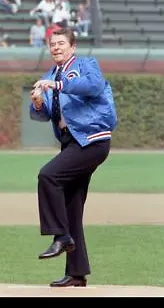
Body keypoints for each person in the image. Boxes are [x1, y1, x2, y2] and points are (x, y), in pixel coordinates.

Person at [29, 27, 117, 287]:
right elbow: (44, 112)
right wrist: (37, 102)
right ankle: (77, 273)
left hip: (91, 139)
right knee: (72, 206)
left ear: (72, 47)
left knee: (48, 175)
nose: (56, 47)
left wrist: (57, 84)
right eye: (52, 44)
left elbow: (92, 86)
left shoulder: (85, 65)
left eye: (61, 43)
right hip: (70, 142)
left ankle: (60, 235)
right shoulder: (50, 74)